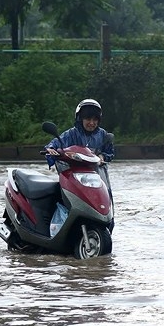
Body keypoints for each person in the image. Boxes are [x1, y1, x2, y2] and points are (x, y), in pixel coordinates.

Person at [45, 98, 115, 230]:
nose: (91, 123)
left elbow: (109, 152)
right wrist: (51, 149)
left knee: (107, 203)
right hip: (74, 178)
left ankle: (106, 227)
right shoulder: (71, 134)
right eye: (88, 119)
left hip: (97, 178)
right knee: (59, 197)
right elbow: (54, 144)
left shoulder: (103, 135)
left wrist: (101, 156)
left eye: (95, 120)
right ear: (80, 118)